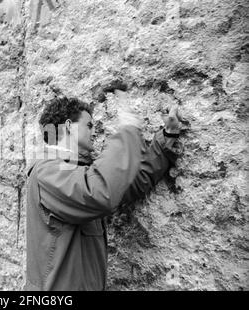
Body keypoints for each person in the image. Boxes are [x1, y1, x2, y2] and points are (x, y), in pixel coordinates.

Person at [25, 96, 182, 290]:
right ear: (68, 127)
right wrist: (128, 132)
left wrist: (167, 137)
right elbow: (99, 193)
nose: (94, 131)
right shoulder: (47, 172)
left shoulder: (75, 171)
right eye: (89, 125)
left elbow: (130, 183)